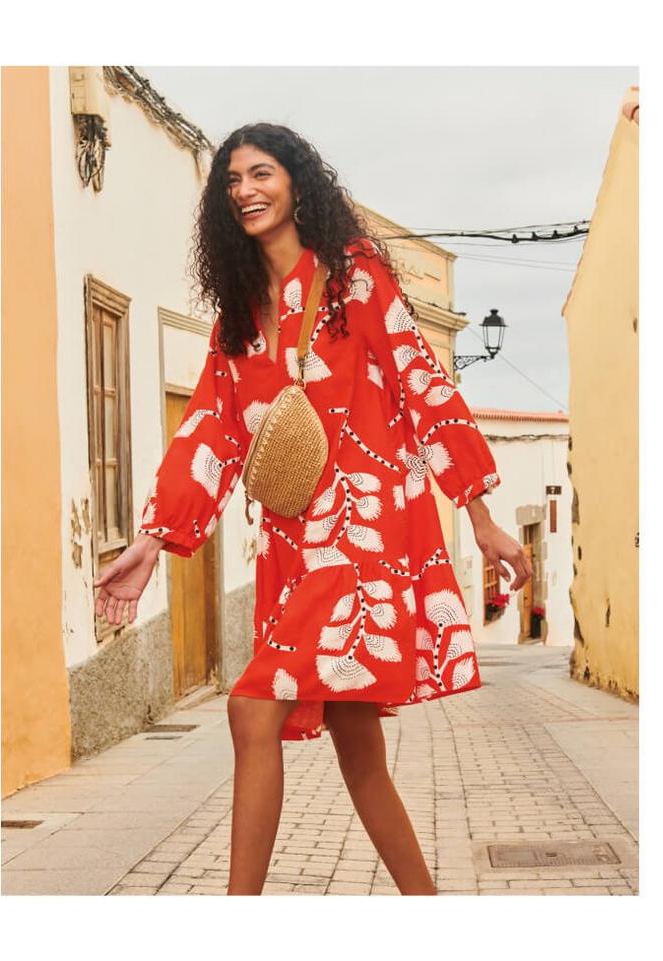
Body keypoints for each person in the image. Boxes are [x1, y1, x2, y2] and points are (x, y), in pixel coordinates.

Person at [94, 122, 533, 896]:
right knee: (359, 750)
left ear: (297, 183)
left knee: (249, 707)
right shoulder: (240, 312)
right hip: (297, 547)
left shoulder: (354, 278)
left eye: (261, 173)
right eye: (231, 181)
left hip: (362, 539)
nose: (245, 191)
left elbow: (421, 383)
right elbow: (209, 426)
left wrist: (481, 514)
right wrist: (155, 539)